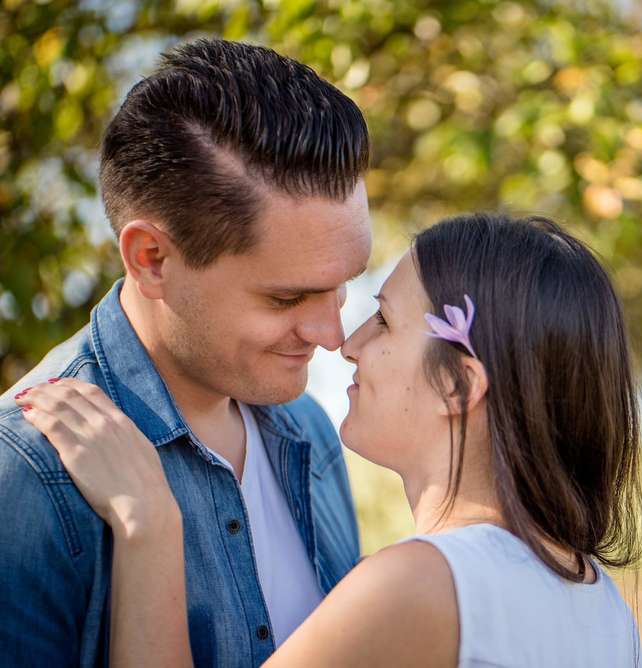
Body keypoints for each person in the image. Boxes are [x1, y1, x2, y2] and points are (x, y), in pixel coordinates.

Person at [16, 214, 642, 667]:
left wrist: (147, 522)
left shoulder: (419, 585)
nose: (347, 343)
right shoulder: (602, 605)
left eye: (384, 320)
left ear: (457, 386)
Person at [0, 39, 371, 666]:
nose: (333, 336)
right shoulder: (29, 479)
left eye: (342, 286)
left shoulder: (309, 431)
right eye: (287, 298)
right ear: (152, 259)